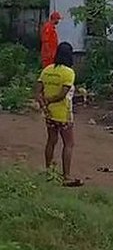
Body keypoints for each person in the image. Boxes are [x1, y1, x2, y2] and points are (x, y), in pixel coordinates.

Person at [35, 42, 81, 187]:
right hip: (63, 113)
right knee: (69, 144)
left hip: (49, 114)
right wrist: (49, 100)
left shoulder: (46, 70)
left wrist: (44, 103)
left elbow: (37, 91)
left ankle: (49, 170)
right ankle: (66, 176)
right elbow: (62, 95)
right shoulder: (68, 73)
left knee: (51, 140)